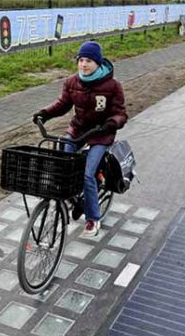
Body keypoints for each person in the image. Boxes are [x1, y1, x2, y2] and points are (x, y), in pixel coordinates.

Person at [33, 41, 127, 236]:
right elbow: (62, 104)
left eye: (89, 61)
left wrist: (112, 123)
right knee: (64, 165)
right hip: (78, 130)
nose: (84, 64)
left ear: (98, 63)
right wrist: (45, 114)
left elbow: (120, 113)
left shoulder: (113, 86)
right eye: (81, 60)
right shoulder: (72, 82)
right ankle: (71, 199)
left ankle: (93, 218)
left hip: (101, 134)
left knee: (87, 174)